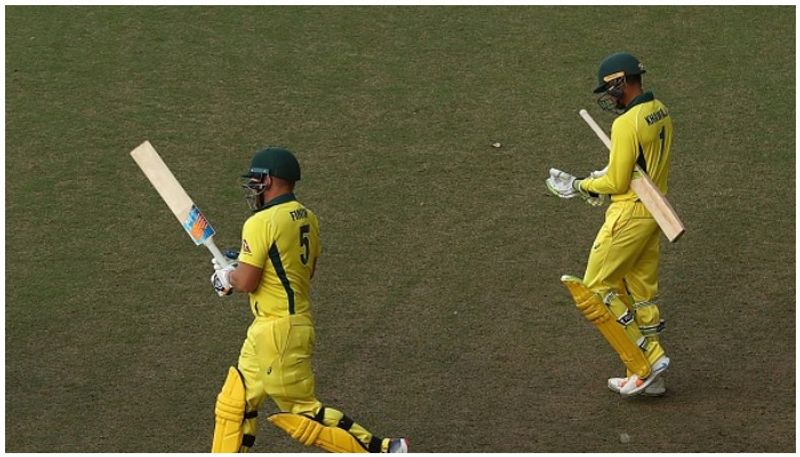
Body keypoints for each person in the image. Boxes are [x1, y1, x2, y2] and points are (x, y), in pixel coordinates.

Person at [209, 146, 408, 452]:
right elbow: (301, 270)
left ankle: (384, 449)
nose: (253, 187)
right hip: (277, 327)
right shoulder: (308, 218)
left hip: (278, 332)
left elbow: (247, 282)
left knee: (302, 413)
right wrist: (240, 265)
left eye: (256, 180)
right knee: (236, 401)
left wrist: (228, 277)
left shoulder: (260, 222)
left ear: (269, 180)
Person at [545, 52, 672, 397]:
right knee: (642, 294)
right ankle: (648, 377)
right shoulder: (660, 111)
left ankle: (648, 359)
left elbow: (617, 182)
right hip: (654, 213)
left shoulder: (626, 123)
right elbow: (635, 168)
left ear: (621, 82)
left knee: (595, 289)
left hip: (628, 214)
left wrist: (580, 185)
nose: (608, 96)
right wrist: (607, 173)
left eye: (609, 88)